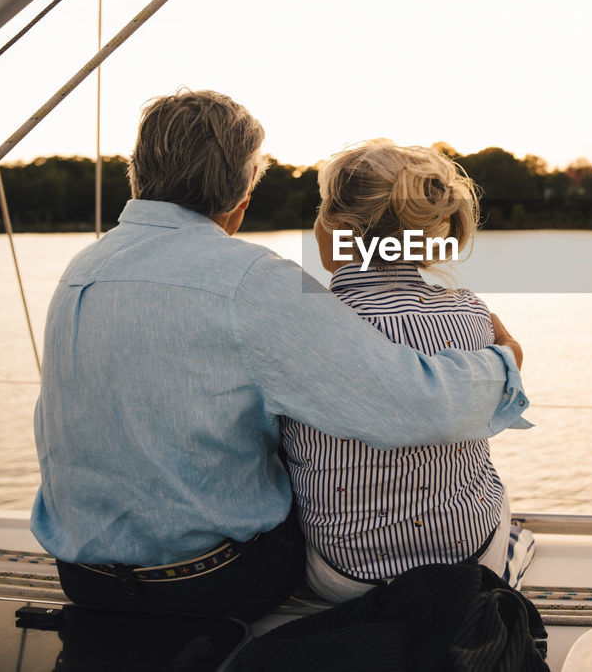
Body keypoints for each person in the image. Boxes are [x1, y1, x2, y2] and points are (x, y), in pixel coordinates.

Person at [31, 90, 529, 621]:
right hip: (210, 583)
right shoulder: (251, 280)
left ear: (139, 173)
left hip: (83, 578)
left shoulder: (81, 267)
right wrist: (505, 362)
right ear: (241, 196)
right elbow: (411, 403)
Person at [288, 139, 533, 603]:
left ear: (339, 226)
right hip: (467, 560)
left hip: (346, 577)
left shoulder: (302, 323)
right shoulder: (471, 314)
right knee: (490, 487)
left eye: (322, 211)